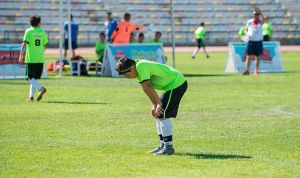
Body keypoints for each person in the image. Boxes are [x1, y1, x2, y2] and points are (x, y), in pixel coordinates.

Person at [115, 57, 188, 155]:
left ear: (132, 69)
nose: (128, 77)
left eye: (127, 75)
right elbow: (146, 88)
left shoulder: (141, 66)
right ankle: (163, 146)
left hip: (176, 83)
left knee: (162, 114)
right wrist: (155, 104)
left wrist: (158, 104)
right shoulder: (137, 69)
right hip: (170, 86)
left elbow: (148, 86)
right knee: (157, 114)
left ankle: (169, 147)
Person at [18, 15, 48, 102]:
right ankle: (31, 97)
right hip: (40, 59)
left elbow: (24, 44)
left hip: (31, 59)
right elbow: (44, 45)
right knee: (34, 78)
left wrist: (21, 55)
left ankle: (41, 88)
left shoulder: (28, 31)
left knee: (30, 78)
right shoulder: (43, 32)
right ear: (39, 23)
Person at [243, 8, 264, 76]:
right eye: (255, 14)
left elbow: (264, 20)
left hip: (258, 41)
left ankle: (256, 70)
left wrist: (261, 13)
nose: (256, 15)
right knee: (248, 56)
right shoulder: (249, 21)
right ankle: (247, 70)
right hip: (251, 41)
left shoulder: (260, 21)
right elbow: (245, 29)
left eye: (257, 14)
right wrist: (247, 34)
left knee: (257, 56)